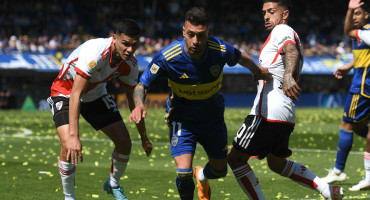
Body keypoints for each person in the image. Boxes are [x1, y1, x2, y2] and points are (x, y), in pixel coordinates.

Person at [128, 7, 269, 200]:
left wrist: (256, 69)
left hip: (213, 119)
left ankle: (201, 175)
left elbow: (240, 56)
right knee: (183, 172)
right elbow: (142, 85)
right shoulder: (167, 57)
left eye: (201, 36)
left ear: (208, 33)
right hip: (182, 119)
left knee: (220, 171)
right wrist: (138, 104)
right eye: (191, 35)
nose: (196, 41)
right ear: (184, 32)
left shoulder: (219, 49)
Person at [226, 0, 344, 199]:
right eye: (264, 12)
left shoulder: (282, 30)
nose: (266, 16)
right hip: (285, 114)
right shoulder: (288, 33)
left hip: (267, 112)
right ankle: (327, 190)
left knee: (235, 159)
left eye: (271, 12)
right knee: (276, 164)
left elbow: (291, 50)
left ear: (285, 14)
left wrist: (288, 75)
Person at [48, 19, 153, 200]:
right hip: (65, 93)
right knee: (68, 145)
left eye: (134, 45)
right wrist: (74, 136)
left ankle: (113, 183)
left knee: (124, 143)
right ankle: (69, 197)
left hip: (94, 94)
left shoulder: (131, 64)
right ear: (114, 38)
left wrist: (144, 137)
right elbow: (75, 94)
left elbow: (133, 104)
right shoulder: (96, 53)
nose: (129, 49)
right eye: (125, 44)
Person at [321, 0, 370, 192]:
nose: (355, 17)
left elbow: (348, 30)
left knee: (347, 125)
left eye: (358, 13)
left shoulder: (365, 32)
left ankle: (339, 170)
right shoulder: (364, 34)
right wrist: (349, 66)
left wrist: (349, 9)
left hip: (363, 88)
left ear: (366, 14)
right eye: (354, 13)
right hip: (362, 83)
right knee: (361, 128)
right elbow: (364, 56)